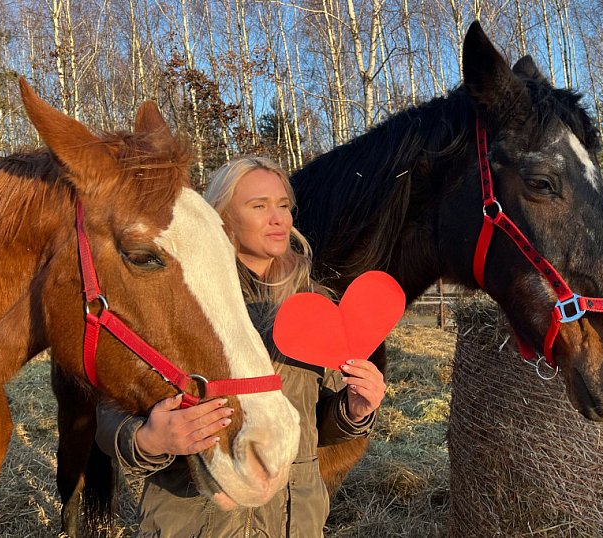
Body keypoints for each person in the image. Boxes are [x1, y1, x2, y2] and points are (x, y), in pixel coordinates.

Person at [95, 156, 386, 537]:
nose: (278, 218)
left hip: (292, 521)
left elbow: (316, 427)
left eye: (283, 205)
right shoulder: (178, 300)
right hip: (196, 520)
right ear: (221, 218)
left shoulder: (314, 306)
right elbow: (107, 414)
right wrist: (150, 439)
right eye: (259, 206)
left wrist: (354, 411)